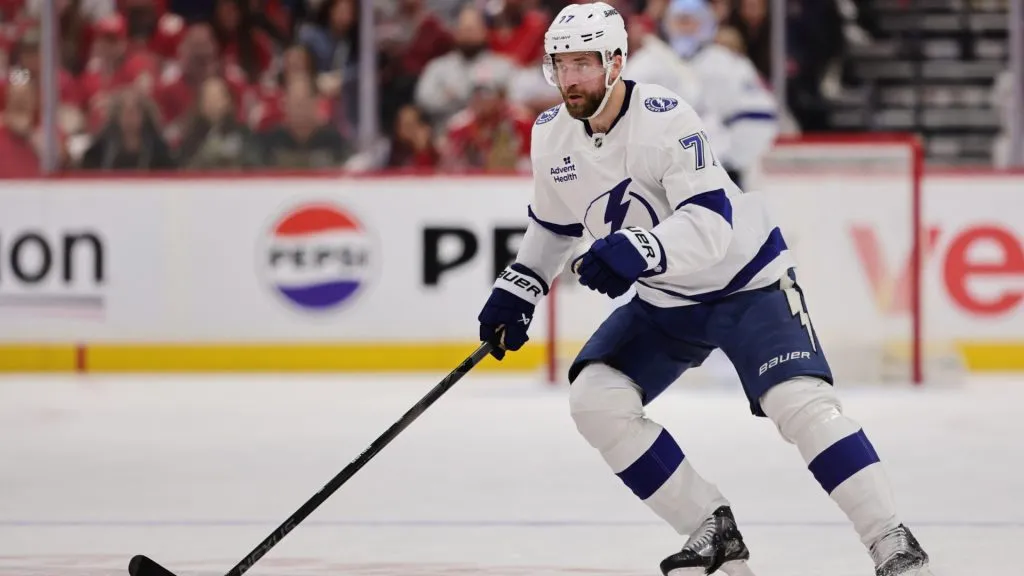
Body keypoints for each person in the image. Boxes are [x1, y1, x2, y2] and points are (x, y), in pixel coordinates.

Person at [474, 3, 933, 576]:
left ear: (615, 63)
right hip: (667, 302)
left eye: (583, 65)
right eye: (561, 65)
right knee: (596, 399)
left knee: (798, 403)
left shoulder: (665, 118)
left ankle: (892, 541)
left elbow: (712, 222)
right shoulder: (550, 135)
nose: (570, 80)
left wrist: (641, 249)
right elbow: (554, 227)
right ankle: (708, 527)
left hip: (746, 283)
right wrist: (521, 287)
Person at [661, 0, 777, 189]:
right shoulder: (647, 64)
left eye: (690, 20)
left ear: (706, 23)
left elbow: (759, 114)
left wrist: (730, 161)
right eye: (679, 20)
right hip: (664, 178)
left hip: (718, 176)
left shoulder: (729, 65)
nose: (684, 27)